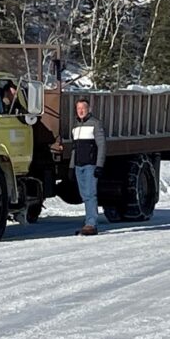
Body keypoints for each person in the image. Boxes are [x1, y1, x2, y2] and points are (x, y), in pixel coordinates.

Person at [69, 98, 106, 236]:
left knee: (90, 194)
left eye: (83, 108)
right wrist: (71, 167)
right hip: (79, 165)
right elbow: (74, 149)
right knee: (84, 194)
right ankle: (88, 221)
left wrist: (99, 165)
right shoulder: (76, 127)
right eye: (78, 109)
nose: (80, 111)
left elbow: (101, 145)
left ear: (88, 109)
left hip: (91, 165)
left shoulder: (95, 124)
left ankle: (91, 224)